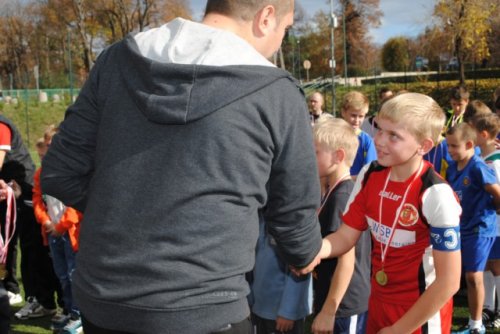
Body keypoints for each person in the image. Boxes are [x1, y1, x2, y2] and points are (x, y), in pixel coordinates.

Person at [40, 1, 323, 333]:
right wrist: (306, 253)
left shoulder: (115, 59)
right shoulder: (276, 92)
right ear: (266, 17)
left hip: (105, 302)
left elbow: (60, 172)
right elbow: (294, 218)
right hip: (205, 308)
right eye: (285, 30)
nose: (279, 43)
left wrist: (128, 208)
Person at [297, 93, 463, 334]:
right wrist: (314, 251)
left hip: (420, 316)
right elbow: (345, 237)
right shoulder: (369, 174)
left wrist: (400, 329)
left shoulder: (436, 194)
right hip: (376, 304)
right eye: (379, 129)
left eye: (393, 135)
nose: (379, 140)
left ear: (424, 146)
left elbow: (448, 282)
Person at [311, 117, 370, 334]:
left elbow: (346, 260)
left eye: (315, 152)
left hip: (344, 303)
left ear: (339, 156)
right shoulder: (331, 190)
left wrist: (329, 311)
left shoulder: (342, 197)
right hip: (331, 294)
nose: (310, 157)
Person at [0, 114, 61, 321]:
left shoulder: (1, 126)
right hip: (18, 195)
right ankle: (35, 297)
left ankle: (31, 295)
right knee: (28, 251)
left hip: (23, 197)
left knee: (32, 251)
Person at [446, 122, 500, 334]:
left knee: (473, 276)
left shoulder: (478, 167)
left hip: (480, 228)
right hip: (462, 227)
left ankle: (476, 326)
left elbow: (496, 192)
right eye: (448, 146)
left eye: (453, 146)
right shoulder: (452, 168)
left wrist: (493, 210)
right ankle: (476, 318)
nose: (449, 151)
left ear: (469, 144)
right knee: (464, 275)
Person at [33, 135, 82, 333]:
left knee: (73, 274)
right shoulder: (41, 173)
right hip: (52, 233)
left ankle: (79, 314)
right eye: (47, 147)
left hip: (70, 233)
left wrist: (61, 225)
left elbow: (77, 203)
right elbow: (37, 199)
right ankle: (69, 310)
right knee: (62, 275)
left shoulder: (74, 171)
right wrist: (45, 220)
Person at [250, 216, 312, 334]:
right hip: (260, 307)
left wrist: (288, 311)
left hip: (282, 314)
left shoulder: (293, 218)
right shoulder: (261, 216)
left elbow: (300, 267)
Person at [469, 114, 500, 329]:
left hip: (496, 222)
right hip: (487, 223)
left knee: (498, 266)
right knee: (488, 264)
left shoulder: (496, 160)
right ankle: (489, 307)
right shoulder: (483, 158)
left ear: (483, 134)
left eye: (472, 131)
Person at [340, 91, 377, 177]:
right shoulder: (333, 136)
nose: (357, 120)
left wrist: (348, 180)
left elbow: (369, 172)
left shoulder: (366, 141)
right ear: (343, 112)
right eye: (353, 115)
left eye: (361, 116)